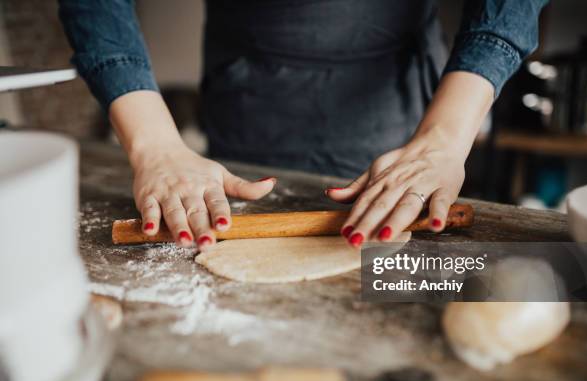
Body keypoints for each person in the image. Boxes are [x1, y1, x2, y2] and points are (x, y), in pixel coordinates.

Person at [58, 0, 547, 250]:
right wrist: (155, 145)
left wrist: (445, 136)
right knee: (228, 224)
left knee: (385, 254)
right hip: (250, 92)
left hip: (394, 101)